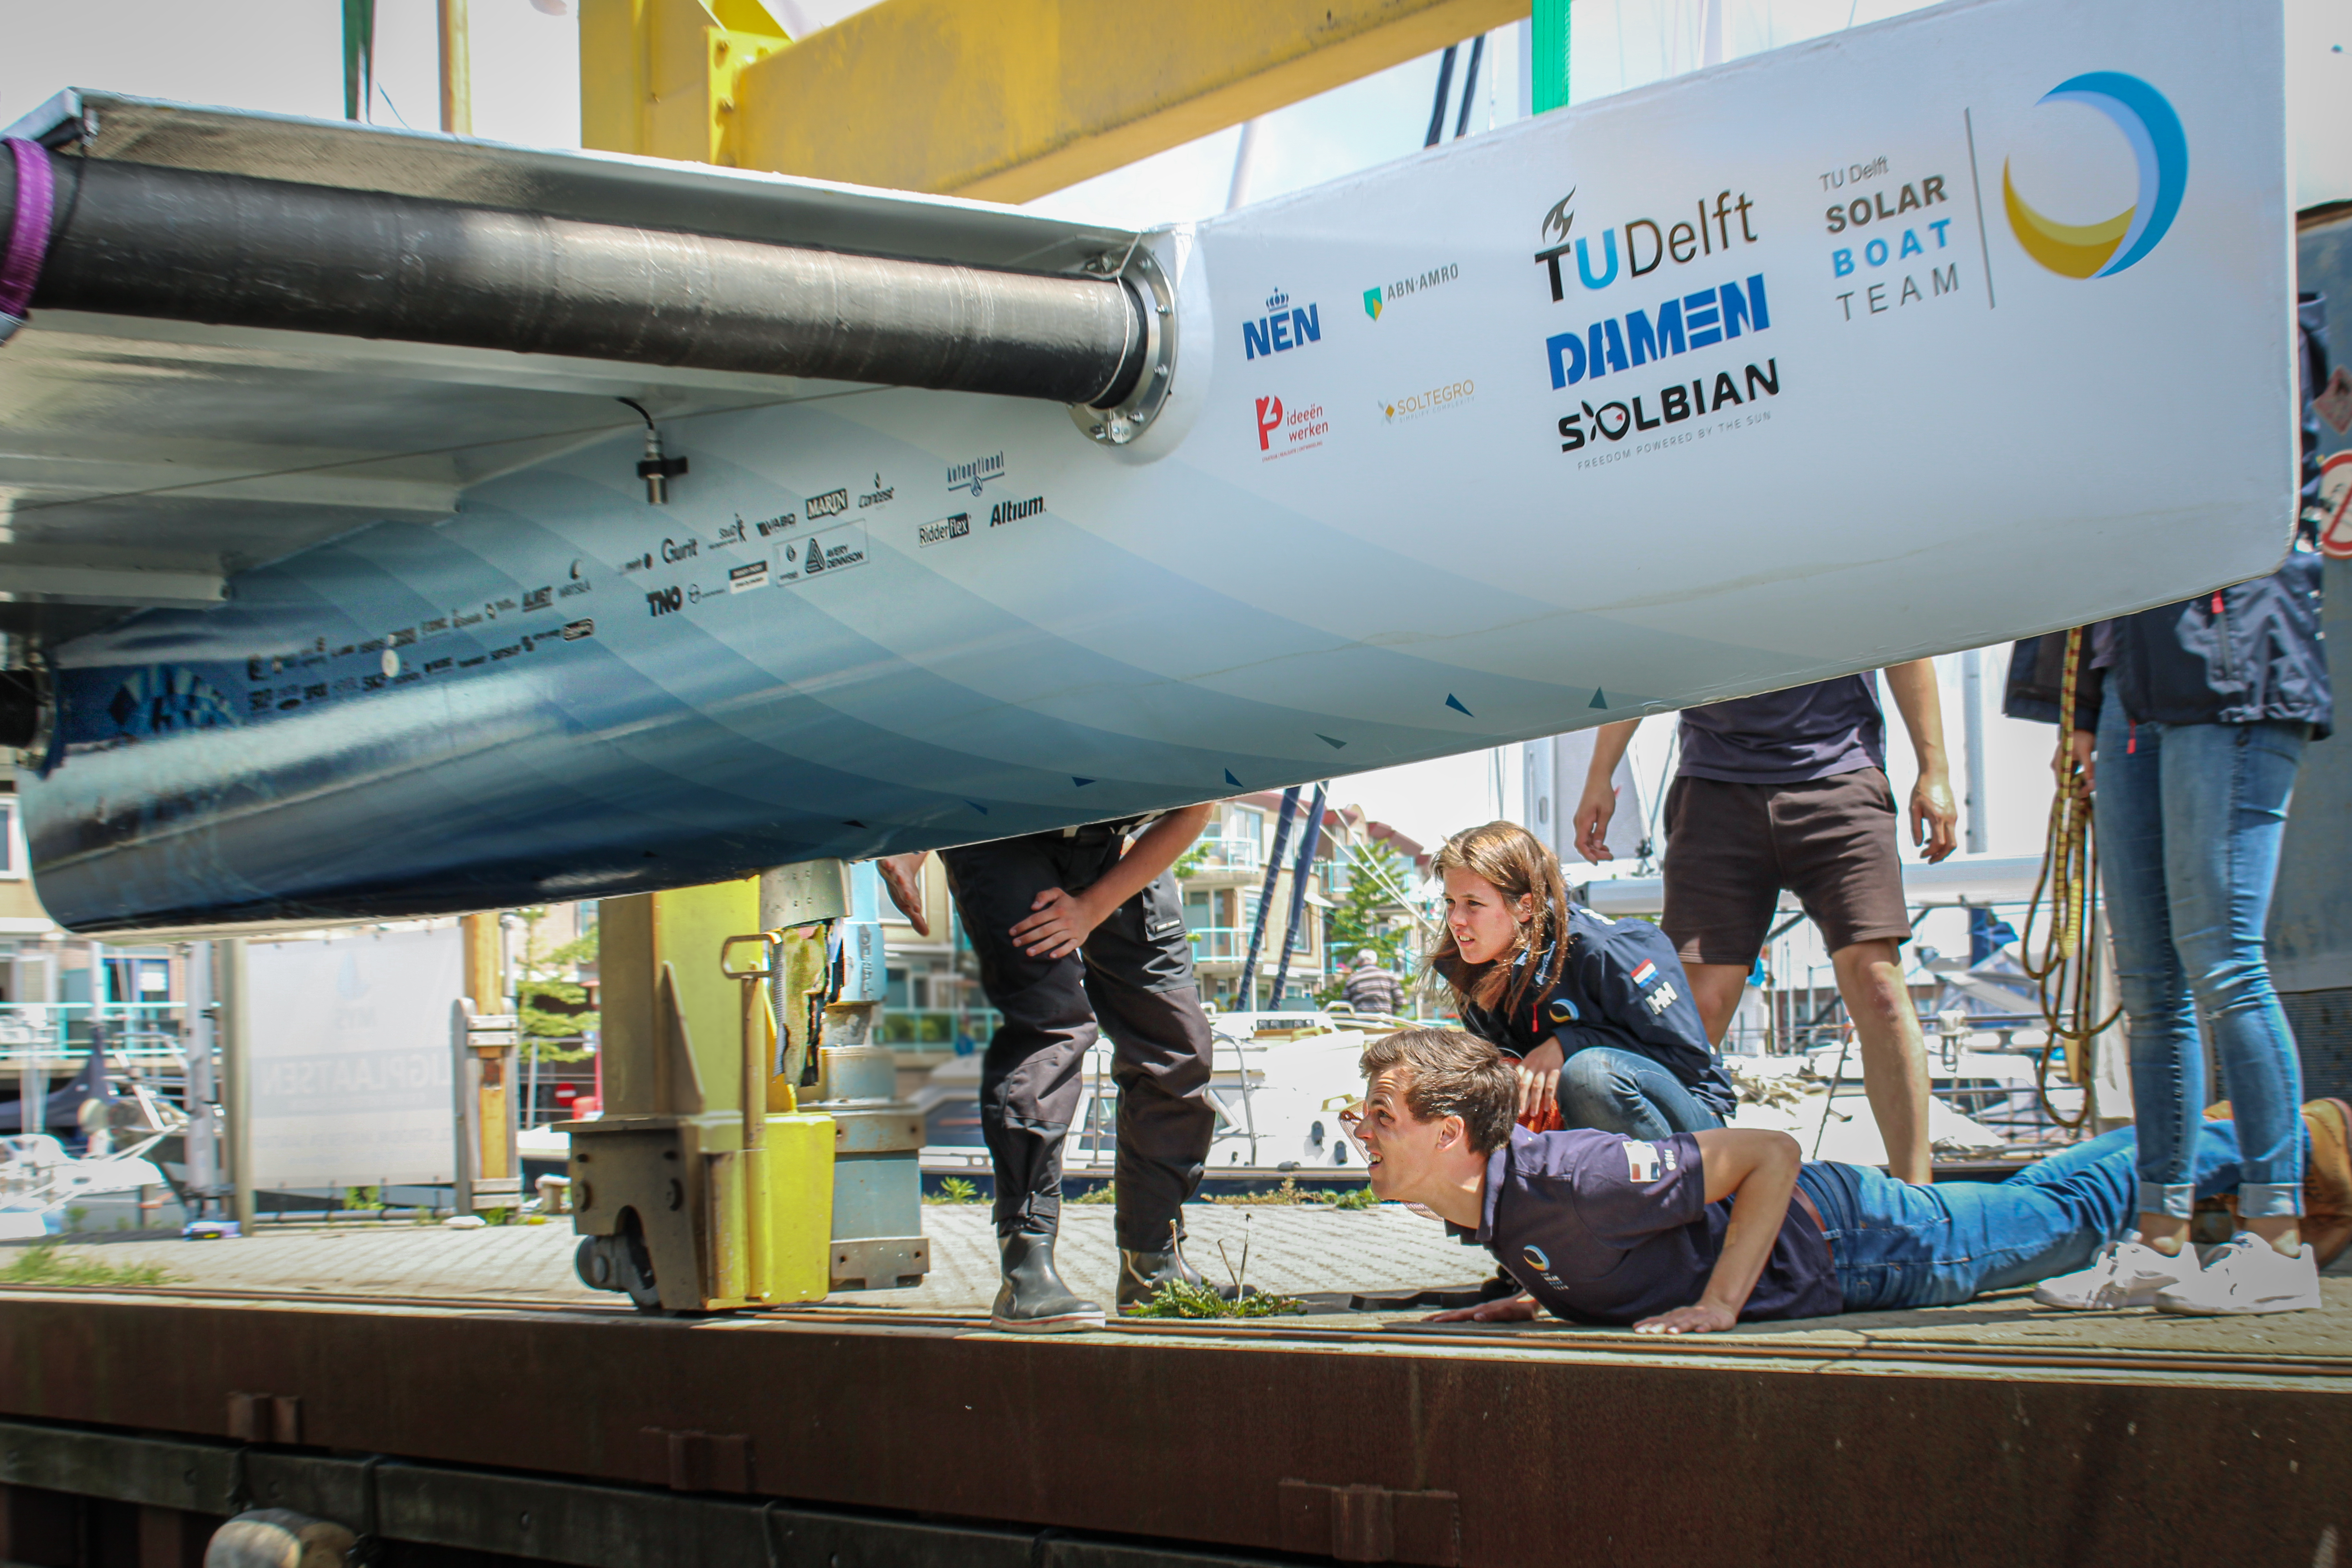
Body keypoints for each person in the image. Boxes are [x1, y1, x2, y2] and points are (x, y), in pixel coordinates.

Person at [2004, 296, 2337, 1315]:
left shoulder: (2254, 316)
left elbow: (2240, 463)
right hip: (2138, 692)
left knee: (2223, 959)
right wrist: (2082, 705)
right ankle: (2161, 1235)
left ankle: (2279, 1235)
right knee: (2149, 984)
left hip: (2234, 681)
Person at [1346, 1028, 2352, 1331]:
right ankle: (2233, 1162)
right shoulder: (1504, 1210)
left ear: (1449, 1136)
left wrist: (1720, 1304)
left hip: (1857, 1241)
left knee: (2066, 1215)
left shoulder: (1571, 1175)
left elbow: (1767, 1154)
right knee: (2051, 1198)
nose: (1361, 1133)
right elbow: (1610, 1251)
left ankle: (2291, 1140)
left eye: (1381, 1117)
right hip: (1840, 1256)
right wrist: (1533, 1297)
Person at [1573, 663, 1957, 1183]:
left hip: (1840, 776)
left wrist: (1935, 769)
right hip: (1715, 785)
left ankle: (1919, 1199)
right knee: (1691, 1014)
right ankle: (1674, 1199)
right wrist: (1601, 773)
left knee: (1881, 989)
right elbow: (1645, 650)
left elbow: (1907, 648)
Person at [877, 805, 1220, 1331]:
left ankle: (1152, 1263)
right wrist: (917, 841)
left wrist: (1091, 909)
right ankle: (1026, 1269)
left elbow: (1198, 806)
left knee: (1178, 1046)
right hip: (1004, 831)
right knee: (1051, 1030)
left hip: (1116, 843)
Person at [1429, 820, 1733, 1140]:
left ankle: (1688, 1187)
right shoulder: (1469, 964)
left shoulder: (1606, 950)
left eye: (1473, 904)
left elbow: (1689, 1061)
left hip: (1693, 1129)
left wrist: (1570, 1045)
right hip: (1579, 1129)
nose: (1456, 920)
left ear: (1526, 906)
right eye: (1450, 902)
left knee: (1590, 1074)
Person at [1342, 948, 1405, 1017]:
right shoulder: (1389, 977)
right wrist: (1390, 1014)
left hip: (1362, 1024)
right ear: (1376, 962)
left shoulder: (1353, 979)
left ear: (1359, 962)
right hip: (1385, 1023)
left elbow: (1344, 1005)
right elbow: (1401, 1000)